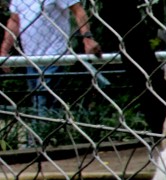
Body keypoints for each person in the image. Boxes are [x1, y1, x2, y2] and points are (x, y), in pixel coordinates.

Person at [1, 0, 101, 136]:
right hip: (30, 58)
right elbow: (15, 20)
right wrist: (4, 51)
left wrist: (87, 38)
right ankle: (44, 139)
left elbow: (78, 10)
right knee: (37, 101)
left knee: (43, 99)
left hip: (55, 54)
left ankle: (41, 140)